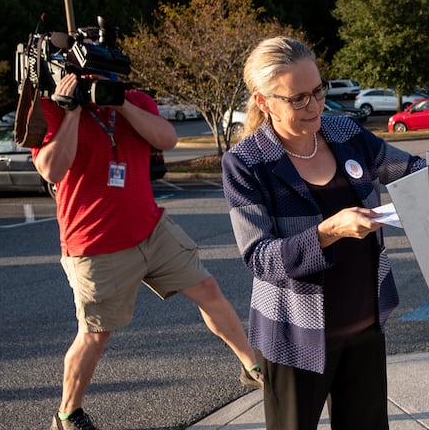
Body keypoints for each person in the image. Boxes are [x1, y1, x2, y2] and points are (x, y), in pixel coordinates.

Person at [34, 43, 263, 430]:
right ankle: (67, 413)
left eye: (109, 78)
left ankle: (253, 366)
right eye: (92, 78)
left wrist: (121, 103)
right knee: (95, 333)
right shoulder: (52, 108)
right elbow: (51, 170)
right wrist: (72, 111)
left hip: (151, 229)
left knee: (208, 289)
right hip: (94, 243)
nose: (100, 84)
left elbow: (167, 140)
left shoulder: (136, 100)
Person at [221, 36, 426, 430]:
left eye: (318, 91)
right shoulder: (246, 163)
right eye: (297, 98)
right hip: (296, 338)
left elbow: (412, 172)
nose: (314, 106)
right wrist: (328, 231)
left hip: (364, 324)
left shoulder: (346, 134)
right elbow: (261, 258)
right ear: (264, 102)